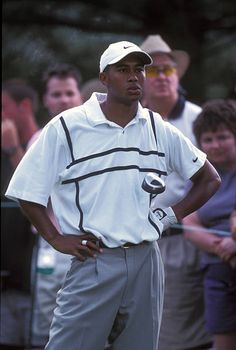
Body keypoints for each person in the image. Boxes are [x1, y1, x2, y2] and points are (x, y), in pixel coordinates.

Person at [5, 41, 221, 350]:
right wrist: (55, 237)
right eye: (122, 70)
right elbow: (26, 191)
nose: (134, 77)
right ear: (104, 78)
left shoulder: (158, 127)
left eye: (138, 70)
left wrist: (169, 216)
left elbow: (209, 179)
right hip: (94, 258)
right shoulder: (67, 126)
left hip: (147, 258)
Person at [140, 34, 213, 350]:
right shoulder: (130, 121)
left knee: (179, 332)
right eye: (153, 71)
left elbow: (215, 177)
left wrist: (178, 217)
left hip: (182, 236)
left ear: (177, 75)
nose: (162, 78)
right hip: (134, 238)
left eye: (168, 70)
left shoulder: (198, 118)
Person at [27, 63, 83, 349]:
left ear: (79, 96)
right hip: (51, 244)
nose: (63, 99)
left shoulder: (97, 136)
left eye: (69, 93)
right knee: (46, 323)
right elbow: (29, 196)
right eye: (56, 94)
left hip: (90, 245)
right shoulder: (38, 140)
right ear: (46, 99)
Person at [183, 100, 236, 350]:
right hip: (217, 270)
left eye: (222, 137)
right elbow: (189, 221)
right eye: (208, 139)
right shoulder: (201, 176)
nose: (215, 145)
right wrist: (221, 247)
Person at [1, 79, 39, 349]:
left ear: (24, 107)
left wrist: (14, 149)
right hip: (6, 285)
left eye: (3, 107)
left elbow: (37, 191)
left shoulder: (43, 143)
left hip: (37, 282)